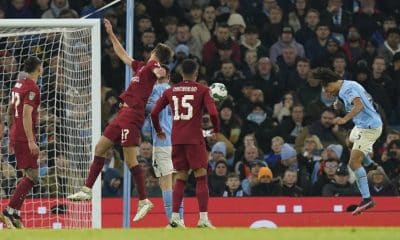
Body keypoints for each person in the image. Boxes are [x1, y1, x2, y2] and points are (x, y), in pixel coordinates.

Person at [67, 19, 173, 223]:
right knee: (99, 148)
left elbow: (158, 70)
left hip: (133, 116)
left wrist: (159, 71)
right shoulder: (141, 67)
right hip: (121, 115)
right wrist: (110, 33)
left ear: (154, 53)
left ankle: (144, 200)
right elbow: (122, 54)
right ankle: (87, 189)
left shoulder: (152, 65)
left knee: (131, 160)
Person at [151, 59, 219, 228]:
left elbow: (154, 113)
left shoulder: (171, 91)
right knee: (201, 177)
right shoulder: (203, 90)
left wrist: (159, 130)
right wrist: (216, 129)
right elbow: (213, 113)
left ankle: (175, 218)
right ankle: (203, 219)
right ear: (196, 74)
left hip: (176, 139)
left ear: (181, 73)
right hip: (195, 139)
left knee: (180, 177)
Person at [312, 67, 383, 215]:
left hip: (369, 128)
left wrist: (344, 118)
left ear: (332, 82)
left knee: (353, 163)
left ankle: (367, 199)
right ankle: (370, 165)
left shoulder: (347, 89)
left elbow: (359, 105)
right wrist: (339, 102)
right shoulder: (346, 85)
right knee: (349, 140)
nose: (328, 92)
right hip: (361, 125)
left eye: (328, 89)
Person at [0, 56, 42, 229]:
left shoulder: (18, 84)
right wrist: (31, 141)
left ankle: (15, 212)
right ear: (39, 69)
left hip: (17, 134)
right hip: (25, 136)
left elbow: (10, 109)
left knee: (29, 175)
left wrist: (11, 131)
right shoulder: (32, 88)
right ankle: (9, 210)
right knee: (32, 176)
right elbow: (25, 114)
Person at [144, 66, 184, 224]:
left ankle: (173, 224)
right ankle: (181, 221)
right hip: (179, 142)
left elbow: (148, 108)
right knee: (177, 183)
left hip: (163, 143)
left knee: (166, 184)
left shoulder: (155, 90)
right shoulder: (178, 92)